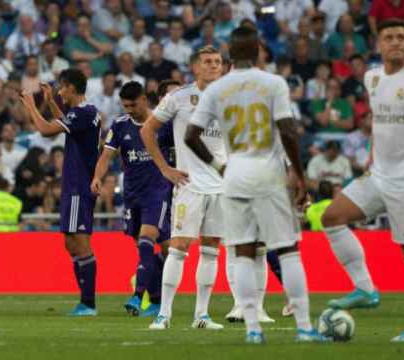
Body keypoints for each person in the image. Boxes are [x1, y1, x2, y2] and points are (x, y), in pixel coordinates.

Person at [184, 26, 326, 343]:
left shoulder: (216, 90)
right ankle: (304, 327)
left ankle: (252, 329)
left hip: (234, 174)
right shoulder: (272, 83)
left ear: (230, 54)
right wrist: (300, 176)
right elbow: (288, 131)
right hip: (268, 171)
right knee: (287, 251)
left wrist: (220, 165)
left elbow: (191, 136)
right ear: (258, 50)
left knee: (243, 253)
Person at [321, 19, 404, 343]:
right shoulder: (373, 77)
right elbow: (381, 122)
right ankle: (366, 288)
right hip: (378, 174)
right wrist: (372, 153)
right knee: (332, 217)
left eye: (401, 37)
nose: (396, 42)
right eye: (389, 38)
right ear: (378, 45)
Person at [142, 46, 238, 331]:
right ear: (196, 67)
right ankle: (164, 315)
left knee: (211, 249)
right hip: (189, 185)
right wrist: (164, 168)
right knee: (179, 247)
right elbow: (147, 130)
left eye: (217, 62)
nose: (213, 66)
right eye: (207, 62)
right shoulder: (179, 97)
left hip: (220, 188)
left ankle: (202, 316)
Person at [19, 69, 101, 316]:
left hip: (79, 185)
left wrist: (32, 107)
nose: (60, 91)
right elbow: (66, 123)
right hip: (73, 184)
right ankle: (84, 301)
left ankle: (88, 303)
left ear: (72, 88)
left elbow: (45, 130)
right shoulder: (84, 113)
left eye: (62, 88)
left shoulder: (83, 113)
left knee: (80, 241)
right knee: (70, 242)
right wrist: (51, 103)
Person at [91, 81, 172, 318]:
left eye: (133, 105)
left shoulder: (162, 123)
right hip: (132, 195)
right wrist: (97, 177)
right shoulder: (120, 125)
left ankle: (137, 296)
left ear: (144, 99)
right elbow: (106, 155)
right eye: (125, 106)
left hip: (158, 192)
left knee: (147, 238)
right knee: (157, 250)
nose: (129, 110)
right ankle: (156, 302)